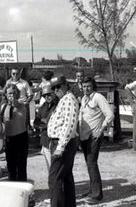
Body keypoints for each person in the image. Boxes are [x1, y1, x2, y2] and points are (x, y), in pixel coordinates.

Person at [79, 77, 114, 204]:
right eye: (84, 86)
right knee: (89, 165)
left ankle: (97, 195)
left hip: (94, 136)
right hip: (84, 136)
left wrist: (102, 130)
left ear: (93, 86)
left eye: (88, 86)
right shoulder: (83, 99)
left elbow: (110, 115)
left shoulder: (98, 97)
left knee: (92, 164)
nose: (86, 88)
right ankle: (92, 190)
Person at [47, 75, 79, 207]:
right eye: (53, 88)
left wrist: (60, 146)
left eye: (58, 86)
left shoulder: (69, 100)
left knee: (54, 179)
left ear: (66, 85)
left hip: (63, 144)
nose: (56, 90)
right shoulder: (63, 99)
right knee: (66, 177)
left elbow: (69, 125)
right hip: (60, 142)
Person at [1, 84, 28, 181]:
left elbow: (17, 105)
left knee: (21, 165)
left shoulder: (21, 105)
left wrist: (14, 101)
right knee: (10, 166)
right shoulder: (3, 106)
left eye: (13, 93)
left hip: (20, 137)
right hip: (9, 138)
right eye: (9, 93)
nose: (11, 95)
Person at [33, 84, 59, 172]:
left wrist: (45, 122)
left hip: (56, 140)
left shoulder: (59, 105)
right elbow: (36, 123)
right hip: (45, 139)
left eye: (49, 94)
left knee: (57, 166)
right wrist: (47, 123)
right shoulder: (43, 106)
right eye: (45, 95)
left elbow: (58, 123)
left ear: (54, 93)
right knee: (50, 167)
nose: (47, 97)